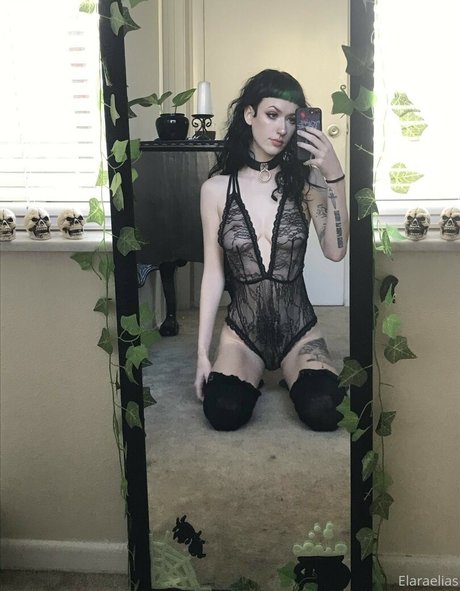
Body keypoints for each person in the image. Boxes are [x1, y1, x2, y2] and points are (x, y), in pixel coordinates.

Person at [194, 69, 349, 432]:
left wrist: (334, 175)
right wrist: (202, 354)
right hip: (241, 334)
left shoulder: (306, 182)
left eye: (292, 119)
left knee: (325, 408)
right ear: (250, 114)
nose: (282, 129)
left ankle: (294, 375)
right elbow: (213, 274)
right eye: (272, 114)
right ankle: (255, 372)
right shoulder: (215, 190)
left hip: (299, 330)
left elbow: (336, 251)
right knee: (223, 411)